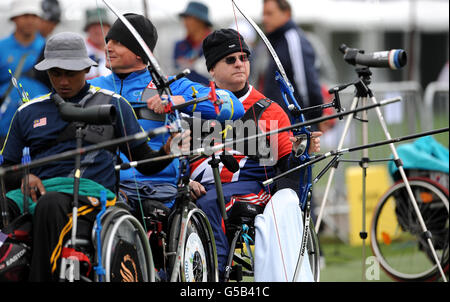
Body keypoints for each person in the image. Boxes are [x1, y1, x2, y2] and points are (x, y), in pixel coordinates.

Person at [0, 31, 189, 281]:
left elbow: (144, 163)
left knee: (50, 204)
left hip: (93, 196)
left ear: (86, 69)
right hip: (39, 193)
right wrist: (25, 176)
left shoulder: (114, 105)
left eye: (71, 72)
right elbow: (8, 169)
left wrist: (167, 151)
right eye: (56, 73)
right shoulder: (27, 112)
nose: (63, 80)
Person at [149, 28, 322, 279]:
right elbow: (176, 157)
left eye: (244, 58)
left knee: (211, 203)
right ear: (211, 69)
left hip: (252, 189)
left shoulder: (269, 110)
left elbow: (289, 168)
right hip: (200, 187)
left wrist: (300, 152)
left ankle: (215, 274)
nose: (240, 64)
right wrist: (186, 182)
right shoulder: (191, 107)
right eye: (230, 60)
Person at [88, 14, 244, 212]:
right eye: (108, 41)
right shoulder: (91, 87)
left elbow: (233, 106)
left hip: (155, 188)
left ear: (139, 53)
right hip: (102, 185)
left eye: (118, 42)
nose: (108, 47)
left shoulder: (169, 86)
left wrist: (180, 101)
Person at [261, 0, 323, 123]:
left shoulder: (293, 40)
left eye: (269, 13)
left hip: (294, 123)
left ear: (286, 14)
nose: (264, 19)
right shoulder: (278, 41)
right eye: (264, 14)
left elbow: (306, 82)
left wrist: (312, 118)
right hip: (278, 122)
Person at [0, 0, 48, 146]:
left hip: (42, 125)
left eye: (34, 16)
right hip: (5, 127)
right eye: (25, 15)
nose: (30, 20)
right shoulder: (2, 47)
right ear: (14, 18)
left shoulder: (49, 47)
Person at [173, 1, 213, 86]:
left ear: (200, 21)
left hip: (211, 94)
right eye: (185, 18)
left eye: (189, 18)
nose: (185, 22)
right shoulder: (179, 46)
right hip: (185, 95)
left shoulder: (215, 44)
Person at [84, 7, 112, 80]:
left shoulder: (118, 51)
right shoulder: (79, 52)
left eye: (102, 25)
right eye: (94, 26)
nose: (99, 30)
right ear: (87, 29)